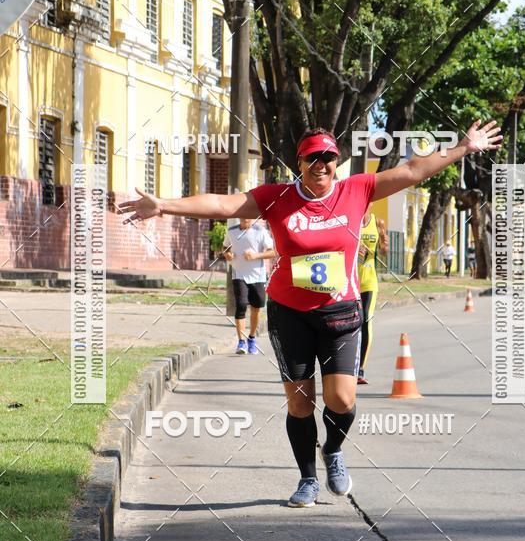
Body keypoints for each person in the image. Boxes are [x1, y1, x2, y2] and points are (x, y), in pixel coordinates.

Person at [118, 120, 502, 508]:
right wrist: (164, 205)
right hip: (290, 314)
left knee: (342, 400)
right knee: (300, 404)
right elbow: (222, 204)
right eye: (312, 158)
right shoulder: (277, 197)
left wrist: (463, 148)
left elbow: (413, 171)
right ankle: (307, 478)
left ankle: (332, 449)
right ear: (299, 162)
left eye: (328, 157)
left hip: (340, 313)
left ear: (337, 161)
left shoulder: (357, 190)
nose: (321, 164)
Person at [222, 218, 276, 354]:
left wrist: (256, 256)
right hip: (238, 274)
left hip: (257, 276)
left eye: (248, 215)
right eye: (243, 215)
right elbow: (225, 247)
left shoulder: (260, 231)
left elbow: (272, 252)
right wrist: (227, 254)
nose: (246, 218)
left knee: (256, 307)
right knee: (241, 305)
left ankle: (251, 338)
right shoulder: (231, 231)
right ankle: (241, 342)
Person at [357, 205, 388, 385]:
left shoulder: (377, 223)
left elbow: (383, 252)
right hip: (349, 281)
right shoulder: (349, 220)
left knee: (365, 321)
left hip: (369, 281)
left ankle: (360, 369)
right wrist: (355, 247)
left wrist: (384, 243)